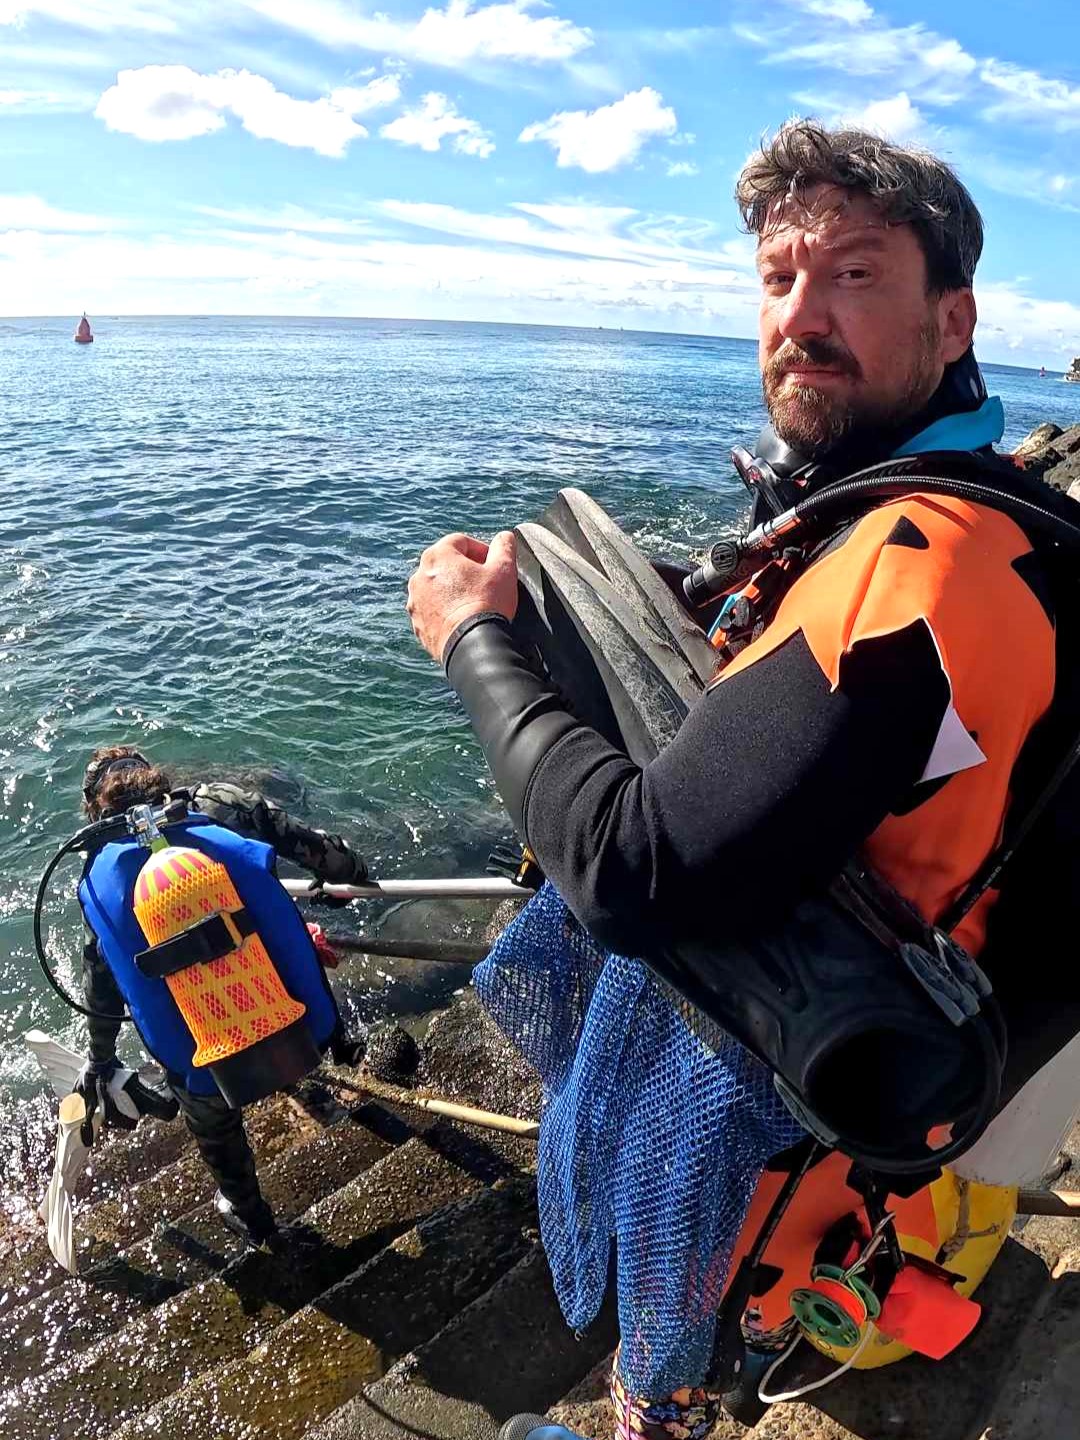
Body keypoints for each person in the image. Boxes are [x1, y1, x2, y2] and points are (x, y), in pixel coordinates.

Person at [406, 121, 1067, 1435]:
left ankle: (659, 1408)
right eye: (778, 281)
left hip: (830, 1069)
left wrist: (474, 641)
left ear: (954, 315)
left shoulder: (916, 565)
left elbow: (636, 874)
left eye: (855, 275)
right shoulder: (995, 506)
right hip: (980, 1006)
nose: (801, 317)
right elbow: (860, 704)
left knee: (699, 1282)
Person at [76, 744, 369, 1247]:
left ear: (95, 810)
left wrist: (100, 1062)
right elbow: (324, 854)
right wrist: (356, 875)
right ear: (155, 779)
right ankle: (343, 1057)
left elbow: (102, 994)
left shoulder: (95, 883)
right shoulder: (217, 805)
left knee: (209, 1116)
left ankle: (249, 1212)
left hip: (210, 1074)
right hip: (307, 1029)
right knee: (284, 950)